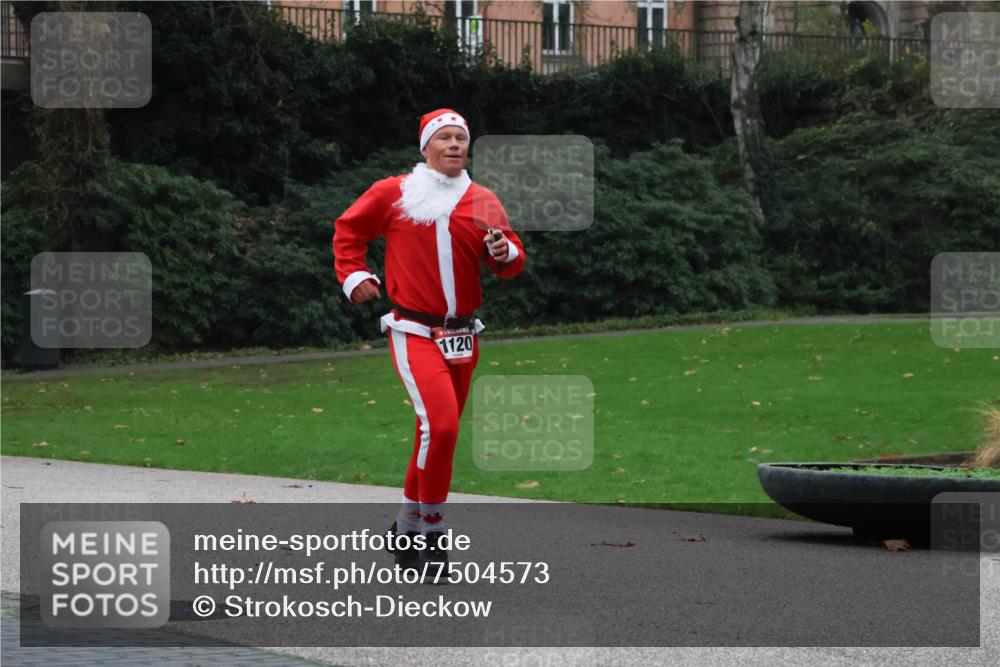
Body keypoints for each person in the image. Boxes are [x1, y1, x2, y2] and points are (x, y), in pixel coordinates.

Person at [332, 108, 527, 576]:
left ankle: (404, 525)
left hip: (462, 334)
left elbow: (510, 258)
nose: (455, 144)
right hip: (413, 329)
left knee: (434, 433)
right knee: (441, 428)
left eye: (461, 137)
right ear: (426, 147)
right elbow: (349, 231)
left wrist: (505, 251)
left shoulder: (482, 199)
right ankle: (433, 535)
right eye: (445, 137)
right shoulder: (395, 192)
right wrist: (354, 275)